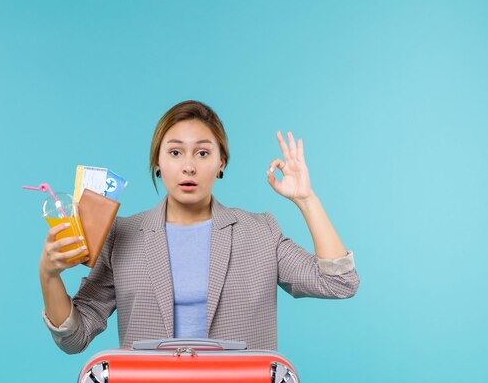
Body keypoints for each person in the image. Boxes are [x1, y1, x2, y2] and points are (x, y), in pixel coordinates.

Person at [39, 100, 359, 354]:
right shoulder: (122, 236)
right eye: (175, 152)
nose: (189, 165)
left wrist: (306, 199)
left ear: (221, 163)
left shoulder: (261, 232)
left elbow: (340, 283)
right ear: (158, 164)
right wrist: (49, 275)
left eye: (203, 153)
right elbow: (74, 338)